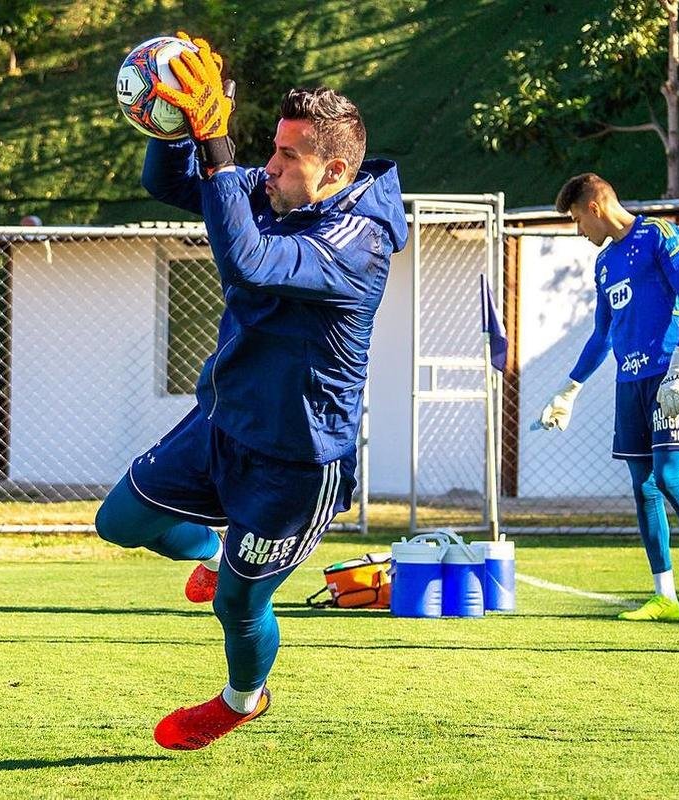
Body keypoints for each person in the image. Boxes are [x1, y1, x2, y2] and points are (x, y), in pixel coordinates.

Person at [94, 33, 407, 750]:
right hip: (221, 426)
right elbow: (171, 184)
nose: (267, 168)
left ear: (331, 169)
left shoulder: (361, 239)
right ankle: (210, 550)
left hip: (295, 464)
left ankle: (241, 699)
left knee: (238, 603)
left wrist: (215, 143)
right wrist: (178, 115)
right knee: (119, 523)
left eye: (286, 157)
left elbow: (250, 267)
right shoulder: (279, 191)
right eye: (267, 148)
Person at [537, 172, 679, 626]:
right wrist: (570, 388)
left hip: (670, 374)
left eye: (575, 221)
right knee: (643, 487)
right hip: (630, 382)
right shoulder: (604, 265)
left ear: (594, 207)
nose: (578, 232)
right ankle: (664, 595)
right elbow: (601, 335)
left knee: (669, 478)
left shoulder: (661, 235)